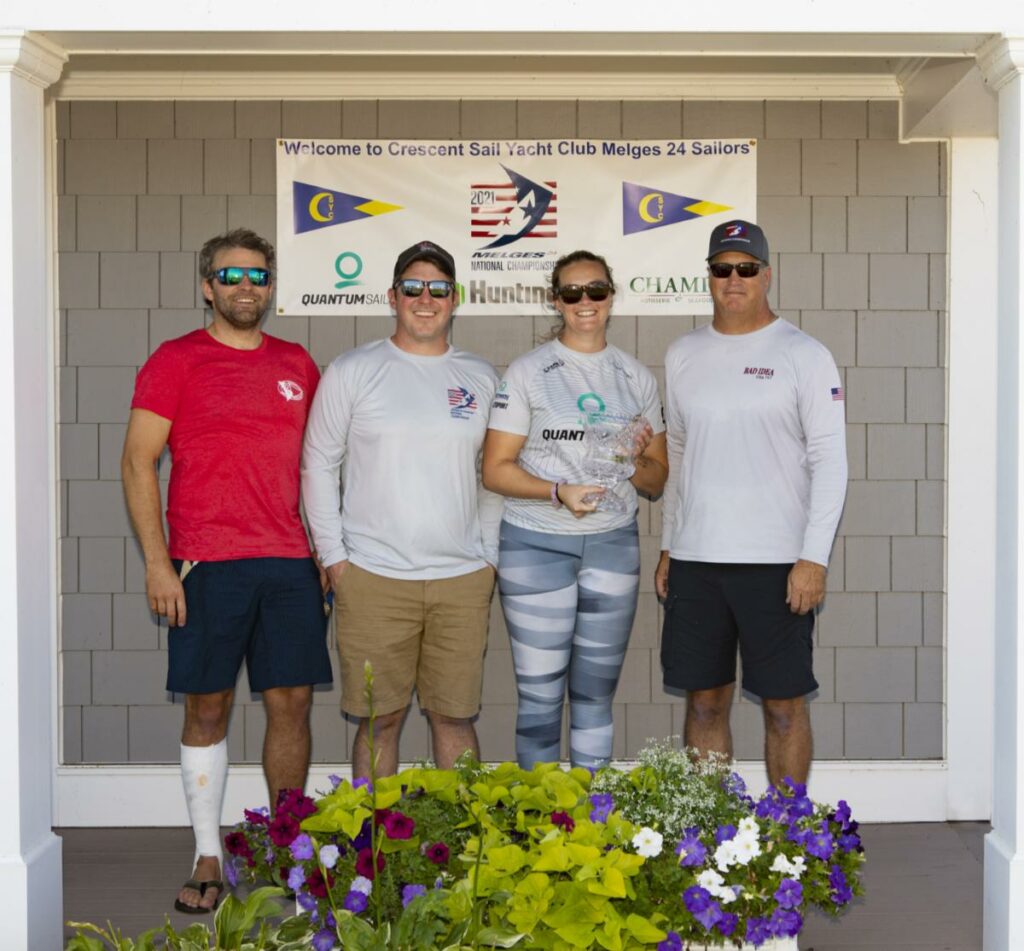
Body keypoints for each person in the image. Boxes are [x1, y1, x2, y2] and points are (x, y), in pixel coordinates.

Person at [121, 229, 332, 913]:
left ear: (271, 287)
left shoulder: (298, 361)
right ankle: (208, 850)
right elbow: (137, 462)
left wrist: (325, 552)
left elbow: (319, 466)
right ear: (208, 286)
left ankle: (288, 844)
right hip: (205, 563)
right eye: (232, 274)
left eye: (260, 275)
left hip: (289, 561)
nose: (247, 286)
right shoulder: (176, 359)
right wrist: (158, 561)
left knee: (290, 704)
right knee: (207, 705)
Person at [656, 219, 848, 788]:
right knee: (704, 705)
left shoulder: (804, 354)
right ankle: (710, 837)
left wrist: (813, 559)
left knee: (784, 707)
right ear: (709, 277)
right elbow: (681, 456)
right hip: (697, 561)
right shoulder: (683, 353)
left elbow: (831, 462)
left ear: (767, 274)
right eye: (722, 268)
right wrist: (669, 545)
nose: (733, 279)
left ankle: (788, 836)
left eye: (746, 268)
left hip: (778, 564)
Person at [301, 241, 501, 779]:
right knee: (379, 721)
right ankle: (373, 853)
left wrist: (488, 556)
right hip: (372, 576)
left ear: (455, 299)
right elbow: (318, 465)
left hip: (461, 577)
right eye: (412, 288)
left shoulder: (481, 377)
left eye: (438, 289)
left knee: (454, 718)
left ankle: (463, 854)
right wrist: (336, 559)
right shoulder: (353, 370)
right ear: (393, 297)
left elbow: (494, 473)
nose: (425, 299)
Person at [482, 250, 668, 769]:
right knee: (540, 699)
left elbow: (657, 475)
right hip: (536, 543)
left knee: (593, 697)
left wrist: (629, 461)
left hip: (612, 544)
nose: (585, 302)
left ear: (611, 295)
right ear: (556, 300)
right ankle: (541, 828)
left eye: (596, 290)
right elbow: (495, 469)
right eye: (572, 292)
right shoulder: (528, 372)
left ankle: (590, 829)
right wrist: (557, 490)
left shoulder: (636, 378)